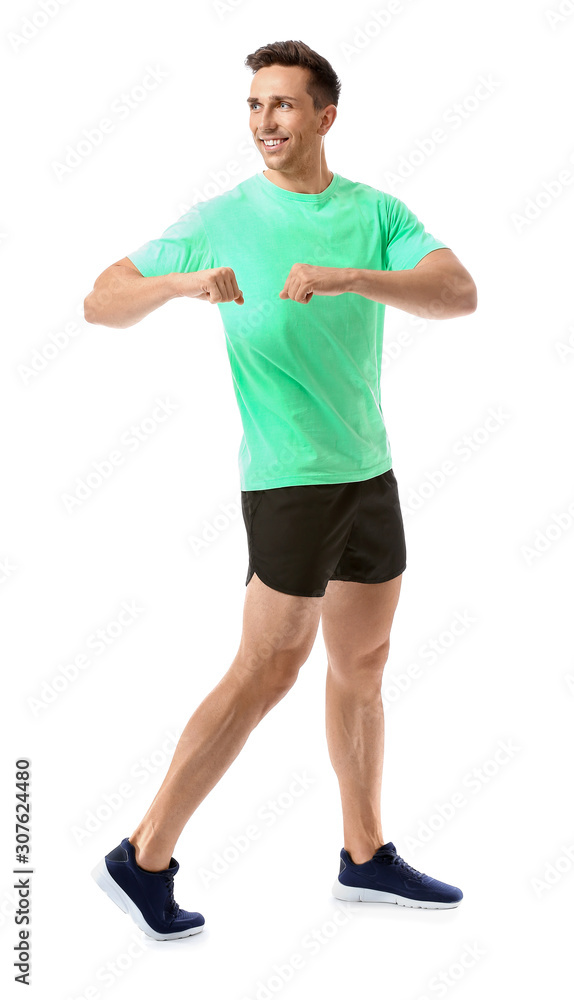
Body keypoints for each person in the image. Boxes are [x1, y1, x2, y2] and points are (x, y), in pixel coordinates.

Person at [86, 39, 477, 940]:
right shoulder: (223, 216)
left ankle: (365, 855)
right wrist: (180, 283)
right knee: (268, 671)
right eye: (256, 106)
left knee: (364, 667)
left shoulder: (374, 212)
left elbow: (457, 292)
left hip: (369, 473)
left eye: (285, 106)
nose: (266, 123)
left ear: (325, 116)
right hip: (290, 482)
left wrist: (353, 276)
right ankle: (142, 857)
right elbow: (100, 298)